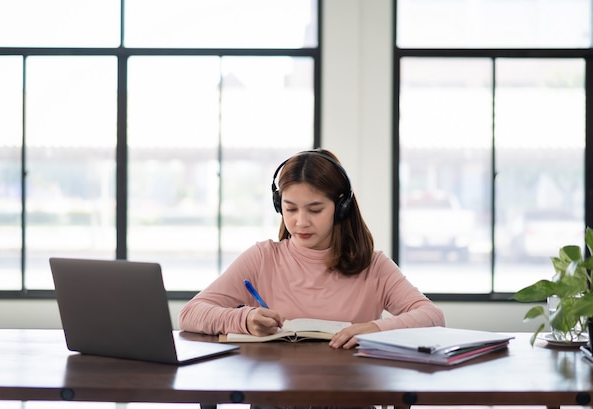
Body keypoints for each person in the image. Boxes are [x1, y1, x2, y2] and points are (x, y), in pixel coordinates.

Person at [179, 148, 445, 349]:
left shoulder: (373, 266)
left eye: (315, 209)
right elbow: (190, 314)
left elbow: (432, 316)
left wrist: (376, 328)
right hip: (275, 395)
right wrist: (244, 320)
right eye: (290, 208)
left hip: (351, 393)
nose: (300, 222)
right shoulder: (263, 258)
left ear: (341, 207)